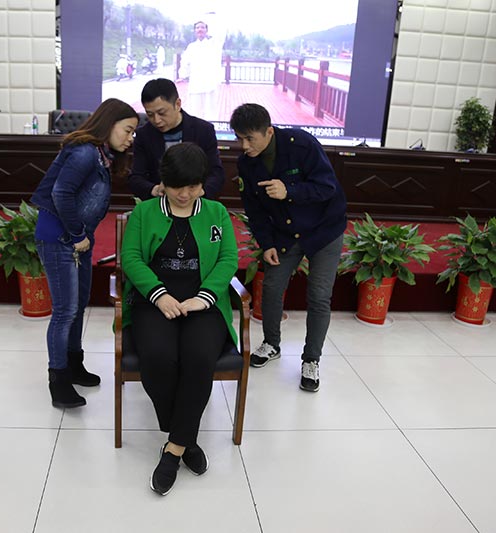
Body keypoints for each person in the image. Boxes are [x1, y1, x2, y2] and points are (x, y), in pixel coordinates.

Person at [121, 142, 238, 496]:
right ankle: (186, 439)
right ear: (163, 182)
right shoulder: (145, 212)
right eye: (176, 187)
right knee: (159, 357)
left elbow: (228, 259)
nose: (185, 194)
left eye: (193, 186)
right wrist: (159, 294)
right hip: (154, 302)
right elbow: (131, 258)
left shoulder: (216, 212)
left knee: (199, 357)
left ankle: (174, 448)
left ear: (203, 183)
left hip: (203, 304)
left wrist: (205, 297)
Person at [229, 103, 346, 392]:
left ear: (269, 131)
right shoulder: (246, 163)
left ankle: (311, 359)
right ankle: (272, 343)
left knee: (319, 296)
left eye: (250, 139)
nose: (244, 146)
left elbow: (327, 187)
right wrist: (267, 243)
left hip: (324, 230)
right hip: (285, 232)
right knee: (271, 288)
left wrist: (289, 190)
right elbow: (254, 210)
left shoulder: (302, 144)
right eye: (239, 139)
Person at [31, 98, 138, 408]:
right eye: (127, 130)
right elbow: (60, 193)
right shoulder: (84, 153)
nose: (130, 138)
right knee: (65, 311)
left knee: (77, 306)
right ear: (109, 123)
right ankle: (58, 380)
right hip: (60, 238)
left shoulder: (100, 154)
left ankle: (74, 365)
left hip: (78, 239)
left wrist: (81, 236)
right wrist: (78, 235)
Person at [128, 78, 225, 201]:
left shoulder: (203, 130)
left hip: (197, 202)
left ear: (178, 104)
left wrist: (201, 192)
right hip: (159, 203)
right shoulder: (144, 135)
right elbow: (136, 177)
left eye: (162, 113)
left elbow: (216, 173)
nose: (156, 120)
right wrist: (154, 189)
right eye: (150, 114)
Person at [178, 14, 226, 119]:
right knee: (195, 111)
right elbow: (185, 62)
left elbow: (221, 33)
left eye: (202, 27)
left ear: (206, 30)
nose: (200, 29)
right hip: (195, 84)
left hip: (210, 84)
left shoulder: (214, 44)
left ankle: (211, 128)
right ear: (195, 31)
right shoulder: (191, 47)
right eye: (197, 27)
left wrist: (215, 17)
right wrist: (182, 75)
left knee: (210, 112)